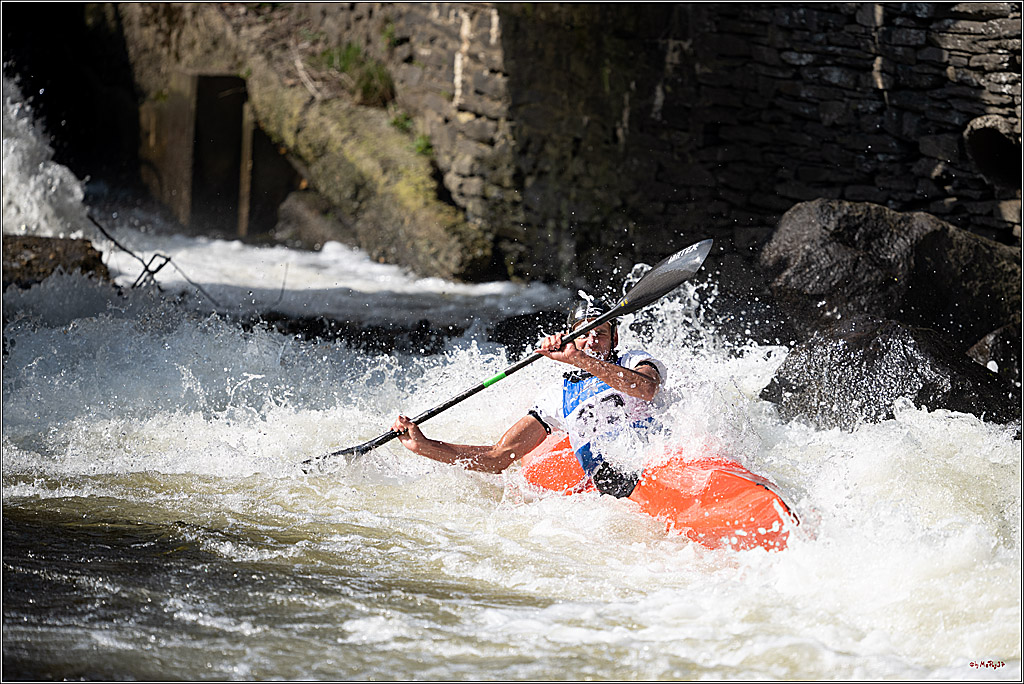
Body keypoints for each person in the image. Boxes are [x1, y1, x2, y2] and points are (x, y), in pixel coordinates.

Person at [391, 296, 668, 498]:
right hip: (616, 488)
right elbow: (497, 457)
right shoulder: (556, 396)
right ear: (572, 336)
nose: (593, 340)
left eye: (601, 333)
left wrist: (579, 358)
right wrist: (424, 446)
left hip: (658, 463)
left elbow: (646, 389)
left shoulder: (634, 360)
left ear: (615, 339)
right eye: (584, 334)